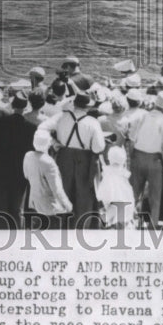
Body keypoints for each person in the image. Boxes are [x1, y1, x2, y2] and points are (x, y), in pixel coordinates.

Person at [52, 91, 106, 227]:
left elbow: (48, 133)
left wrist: (55, 143)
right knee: (84, 197)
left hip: (64, 157)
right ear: (88, 107)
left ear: (74, 104)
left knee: (63, 192)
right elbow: (98, 148)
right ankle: (80, 230)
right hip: (84, 160)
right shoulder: (93, 123)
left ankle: (60, 227)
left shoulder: (61, 117)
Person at [129, 92, 163, 228]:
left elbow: (132, 140)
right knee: (155, 196)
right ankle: (153, 225)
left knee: (134, 192)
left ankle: (131, 222)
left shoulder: (142, 116)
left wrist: (132, 156)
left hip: (138, 156)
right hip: (155, 159)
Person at [0, 93, 36, 226]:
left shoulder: (1, 123)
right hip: (20, 171)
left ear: (12, 105)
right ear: (25, 108)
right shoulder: (31, 127)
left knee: (2, 206)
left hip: (2, 168)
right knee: (17, 207)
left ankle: (2, 235)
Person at [22, 130, 72, 230]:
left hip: (34, 204)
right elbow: (57, 189)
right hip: (50, 208)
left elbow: (26, 175)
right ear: (48, 143)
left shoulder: (28, 156)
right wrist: (67, 205)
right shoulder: (49, 162)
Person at [95, 145, 135, 228]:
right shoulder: (122, 171)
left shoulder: (108, 170)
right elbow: (127, 175)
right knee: (121, 208)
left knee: (113, 208)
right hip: (121, 192)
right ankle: (115, 222)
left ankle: (108, 221)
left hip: (111, 191)